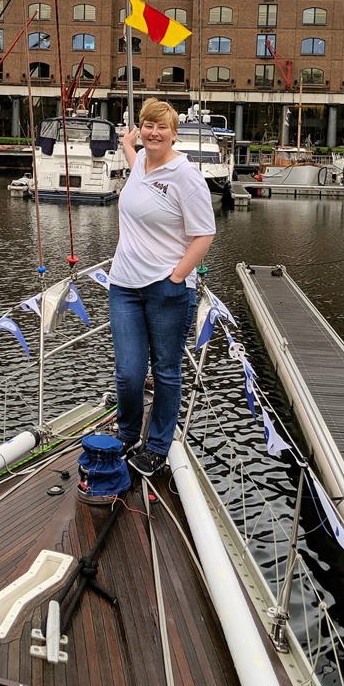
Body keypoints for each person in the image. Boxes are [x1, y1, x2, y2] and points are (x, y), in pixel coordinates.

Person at [108, 99, 216, 477]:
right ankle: (126, 434)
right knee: (129, 372)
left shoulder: (185, 176)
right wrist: (127, 143)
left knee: (167, 370)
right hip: (123, 285)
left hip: (165, 288)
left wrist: (175, 277)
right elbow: (135, 159)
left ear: (174, 133)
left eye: (161, 127)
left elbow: (204, 234)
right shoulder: (140, 166)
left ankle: (156, 446)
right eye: (147, 126)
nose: (154, 132)